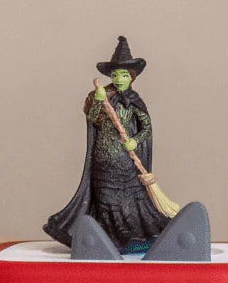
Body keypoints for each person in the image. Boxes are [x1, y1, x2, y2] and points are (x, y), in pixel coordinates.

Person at [44, 36, 172, 253]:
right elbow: (93, 118)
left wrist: (135, 140)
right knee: (105, 200)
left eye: (124, 75)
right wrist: (98, 100)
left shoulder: (134, 101)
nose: (119, 79)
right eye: (115, 75)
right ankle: (108, 241)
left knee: (128, 201)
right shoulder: (103, 97)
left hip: (126, 164)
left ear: (131, 77)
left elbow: (146, 128)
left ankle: (133, 238)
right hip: (102, 161)